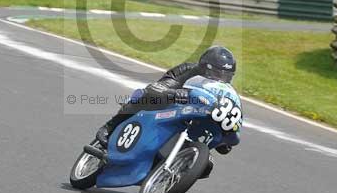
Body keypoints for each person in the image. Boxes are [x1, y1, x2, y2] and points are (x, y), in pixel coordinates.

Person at [94, 46, 239, 155]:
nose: (219, 79)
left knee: (208, 162)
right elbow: (155, 89)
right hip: (170, 105)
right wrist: (175, 94)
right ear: (203, 67)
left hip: (196, 116)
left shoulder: (224, 90)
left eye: (225, 76)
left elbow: (222, 109)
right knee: (145, 96)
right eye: (215, 74)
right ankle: (110, 127)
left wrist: (224, 131)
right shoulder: (187, 70)